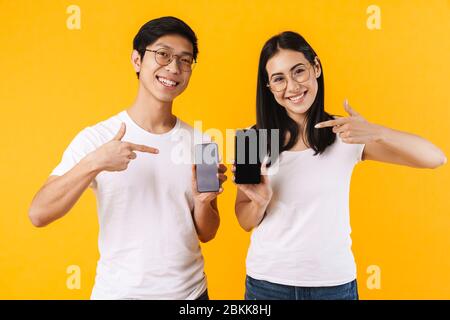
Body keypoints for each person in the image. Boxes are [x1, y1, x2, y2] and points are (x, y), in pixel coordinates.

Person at [232, 31, 446, 300]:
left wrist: (376, 131)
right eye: (279, 79)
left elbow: (435, 158)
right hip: (267, 284)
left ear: (316, 67)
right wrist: (260, 202)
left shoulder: (346, 133)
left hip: (333, 285)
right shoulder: (252, 139)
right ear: (269, 87)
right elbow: (244, 220)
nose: (292, 87)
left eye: (299, 71)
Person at [28, 16, 227, 300]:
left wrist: (204, 201)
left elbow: (207, 233)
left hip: (191, 295)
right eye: (162, 54)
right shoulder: (98, 138)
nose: (173, 67)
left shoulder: (203, 143)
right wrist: (95, 162)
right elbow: (38, 213)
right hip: (119, 294)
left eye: (185, 60)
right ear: (137, 60)